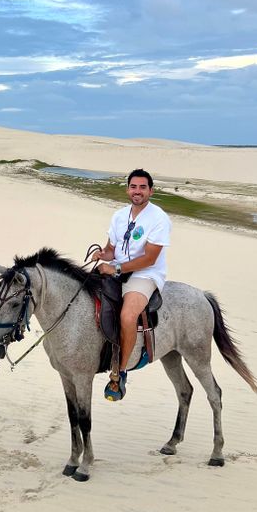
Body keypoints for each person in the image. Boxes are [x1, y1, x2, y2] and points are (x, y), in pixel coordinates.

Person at [95, 168, 171, 402]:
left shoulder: (159, 218)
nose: (137, 191)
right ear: (128, 189)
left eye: (142, 187)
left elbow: (149, 258)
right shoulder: (119, 216)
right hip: (117, 269)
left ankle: (120, 372)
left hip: (145, 275)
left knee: (128, 316)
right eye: (133, 187)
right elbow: (112, 250)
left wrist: (115, 268)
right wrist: (102, 254)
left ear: (151, 190)